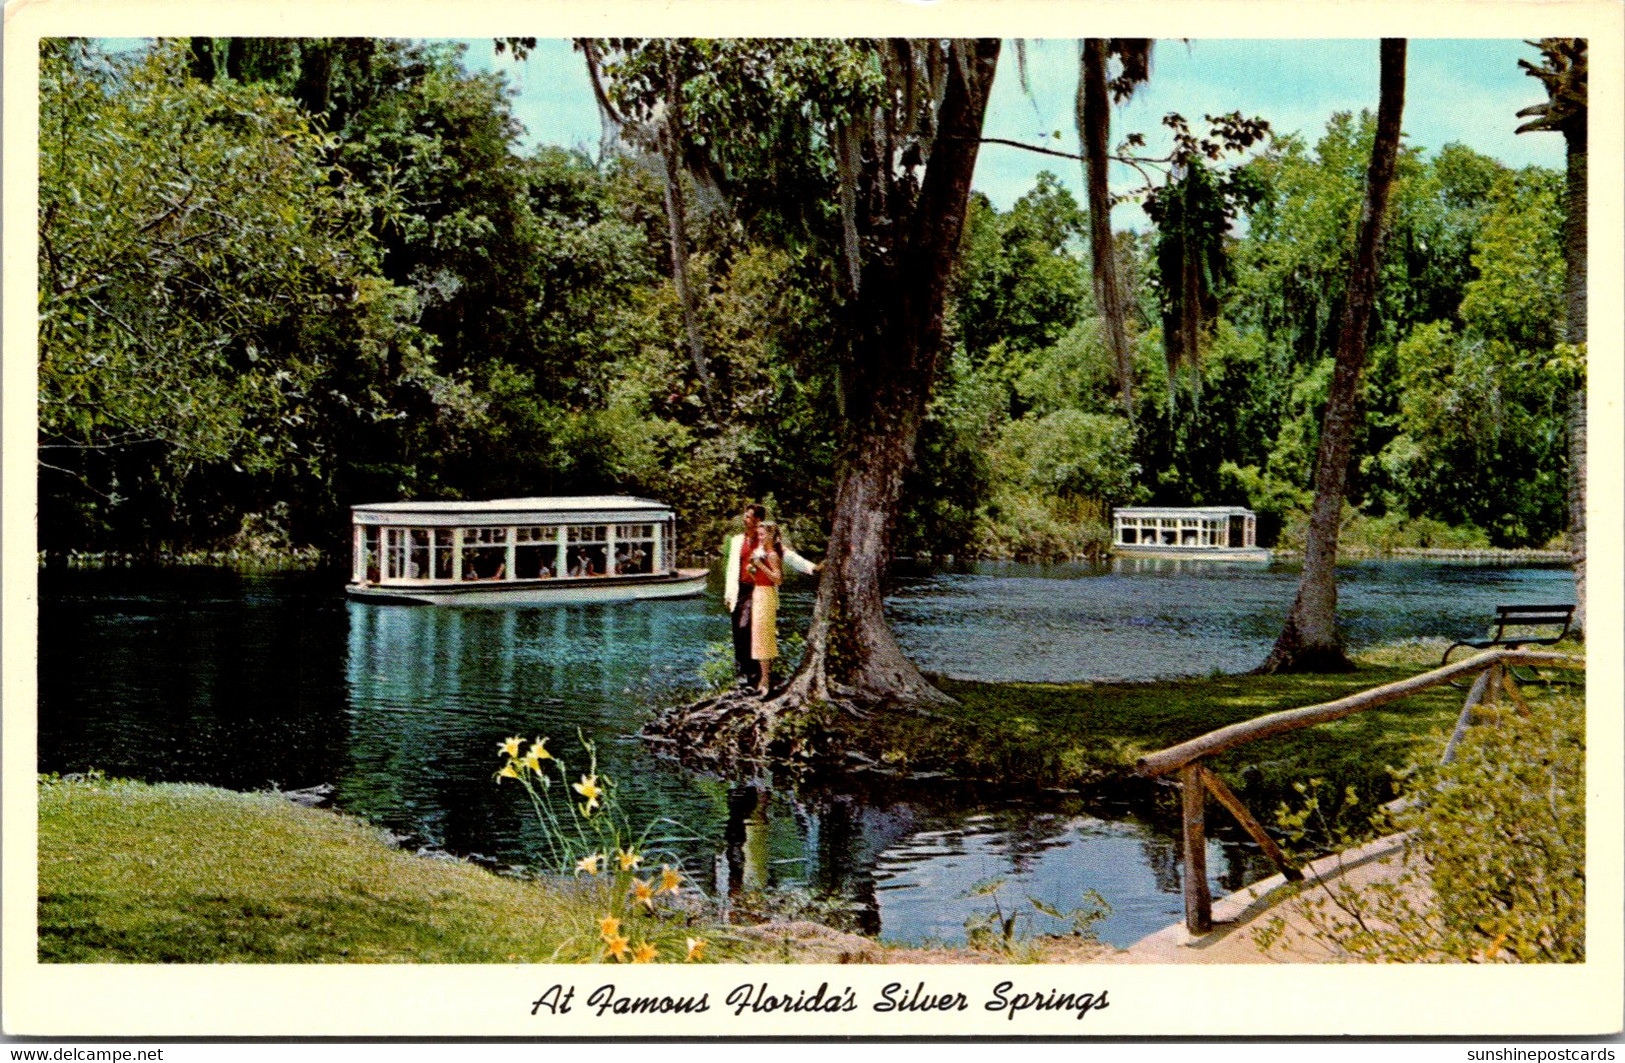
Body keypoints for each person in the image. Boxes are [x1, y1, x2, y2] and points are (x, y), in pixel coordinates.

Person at [722, 504, 818, 690]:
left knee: (747, 628)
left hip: (757, 589)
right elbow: (731, 569)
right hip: (739, 590)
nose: (744, 519)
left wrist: (812, 567)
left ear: (758, 520)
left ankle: (753, 674)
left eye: (749, 517)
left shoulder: (764, 540)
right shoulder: (736, 540)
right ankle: (744, 673)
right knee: (738, 630)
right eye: (745, 516)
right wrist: (728, 594)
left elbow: (789, 556)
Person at [748, 523, 785, 697]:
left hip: (767, 596)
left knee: (763, 636)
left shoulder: (772, 556)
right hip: (759, 593)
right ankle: (764, 680)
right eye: (759, 535)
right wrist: (754, 572)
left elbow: (778, 580)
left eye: (763, 535)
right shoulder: (763, 555)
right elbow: (762, 579)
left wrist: (761, 566)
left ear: (771, 536)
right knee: (758, 636)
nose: (760, 538)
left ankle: (766, 683)